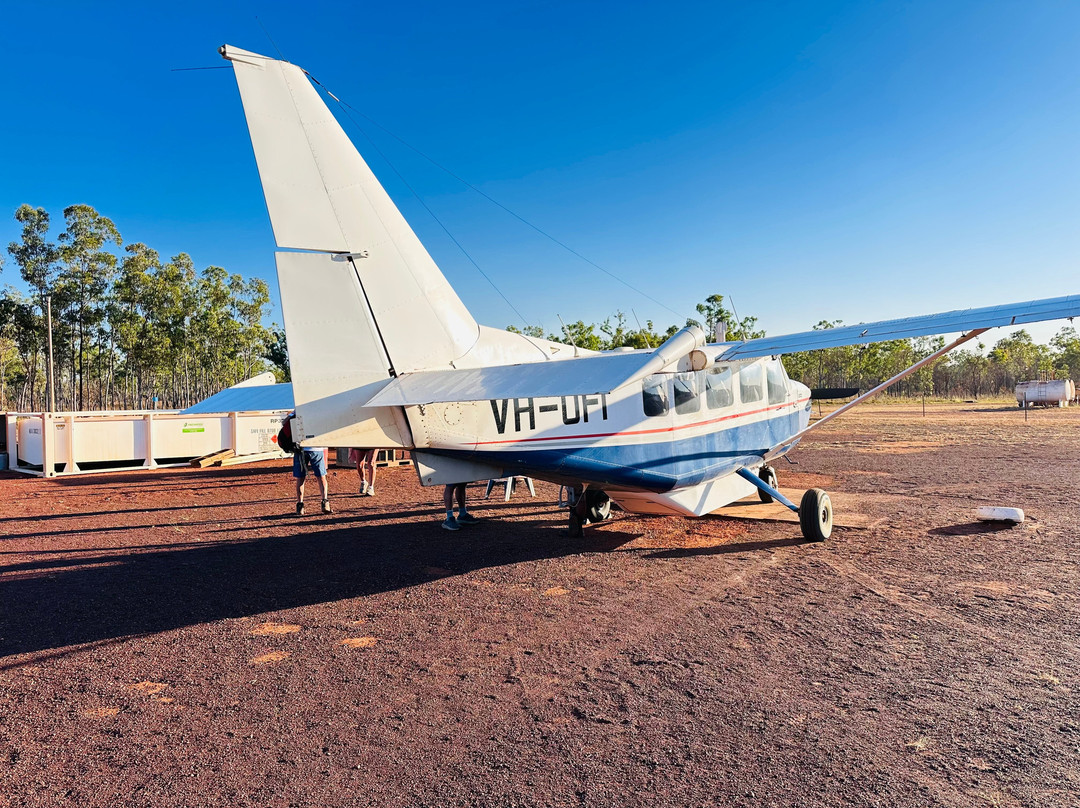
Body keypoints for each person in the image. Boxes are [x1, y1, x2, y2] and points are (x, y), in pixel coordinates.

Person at [282, 413, 331, 515]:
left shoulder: (299, 409)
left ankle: (300, 505)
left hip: (301, 448)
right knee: (321, 477)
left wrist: (293, 414)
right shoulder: (320, 409)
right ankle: (325, 502)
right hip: (316, 447)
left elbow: (284, 423)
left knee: (301, 478)